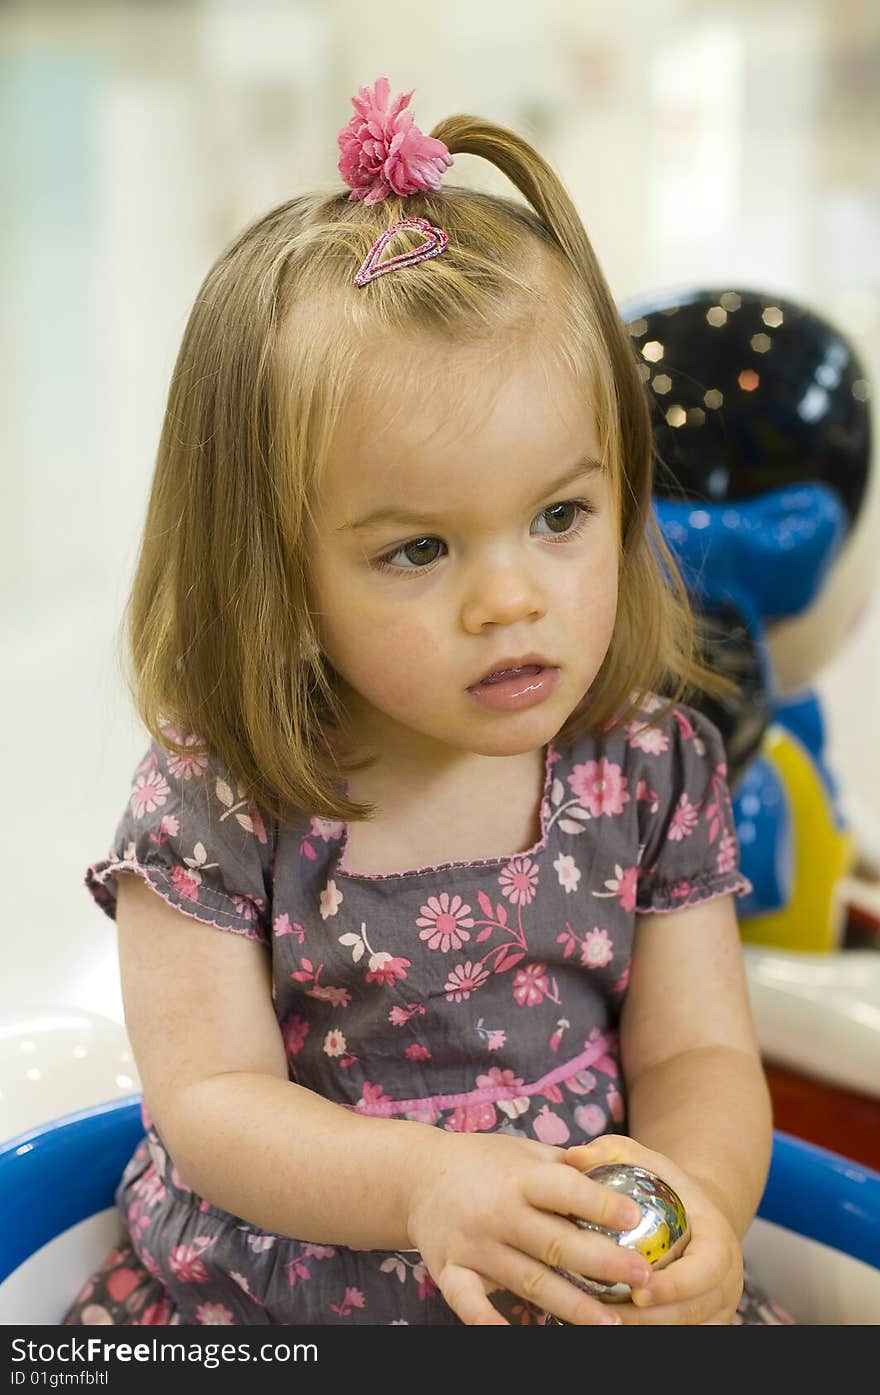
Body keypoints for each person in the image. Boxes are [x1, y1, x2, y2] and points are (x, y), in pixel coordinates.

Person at [63, 76, 793, 1327]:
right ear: (275, 571)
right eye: (417, 550)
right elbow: (213, 1103)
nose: (511, 600)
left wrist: (703, 1206)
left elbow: (698, 1057)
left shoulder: (649, 766)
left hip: (578, 1288)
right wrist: (424, 1186)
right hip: (274, 1305)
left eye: (559, 517)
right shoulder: (217, 798)